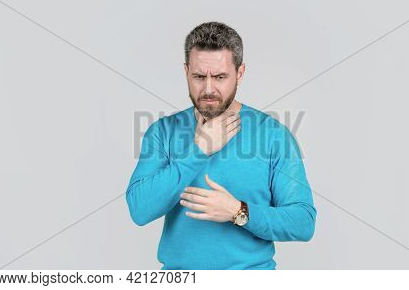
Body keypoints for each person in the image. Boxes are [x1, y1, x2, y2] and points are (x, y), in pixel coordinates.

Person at [125, 21, 317, 270]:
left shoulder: (273, 135)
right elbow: (140, 210)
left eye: (219, 77)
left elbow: (303, 222)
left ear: (240, 73)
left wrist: (238, 211)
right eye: (198, 76)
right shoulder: (162, 132)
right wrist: (199, 149)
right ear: (185, 72)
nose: (208, 89)